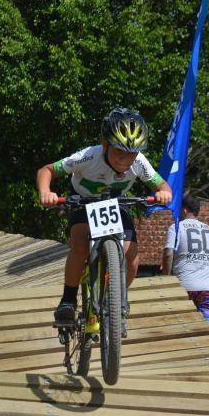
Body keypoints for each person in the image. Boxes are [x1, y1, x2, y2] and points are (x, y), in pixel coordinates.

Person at [37, 107, 172, 326]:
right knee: (80, 245)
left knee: (133, 258)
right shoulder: (88, 156)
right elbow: (47, 170)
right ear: (105, 144)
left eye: (132, 153)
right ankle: (68, 300)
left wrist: (164, 193)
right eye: (119, 151)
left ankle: (115, 299)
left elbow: (163, 185)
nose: (125, 159)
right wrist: (46, 192)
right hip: (82, 200)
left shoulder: (139, 162)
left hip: (115, 203)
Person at [162, 193, 209, 332]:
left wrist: (166, 278)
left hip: (184, 286)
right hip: (208, 288)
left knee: (181, 328)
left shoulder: (176, 227)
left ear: (184, 210)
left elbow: (168, 254)